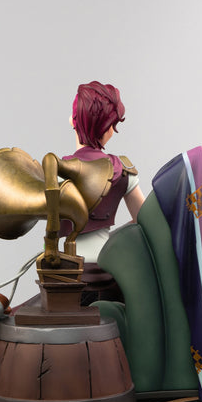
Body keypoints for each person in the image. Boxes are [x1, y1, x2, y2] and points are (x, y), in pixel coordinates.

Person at [60, 81, 144, 303]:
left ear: (72, 120)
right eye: (112, 125)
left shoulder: (56, 172)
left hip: (68, 278)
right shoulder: (124, 170)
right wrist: (112, 237)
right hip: (109, 274)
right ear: (108, 130)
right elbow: (144, 220)